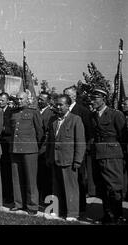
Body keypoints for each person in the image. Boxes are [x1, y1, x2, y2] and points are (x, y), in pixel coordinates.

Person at [46, 94, 86, 221]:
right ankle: (56, 210)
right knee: (56, 186)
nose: (58, 107)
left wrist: (77, 160)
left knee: (71, 188)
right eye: (57, 104)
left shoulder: (76, 119)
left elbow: (80, 142)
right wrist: (49, 157)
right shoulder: (53, 120)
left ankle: (72, 214)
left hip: (69, 160)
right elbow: (50, 142)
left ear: (68, 106)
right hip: (55, 159)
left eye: (61, 104)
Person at [90, 89, 126, 224]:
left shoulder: (115, 115)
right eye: (91, 98)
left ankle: (117, 216)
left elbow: (123, 137)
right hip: (98, 154)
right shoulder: (92, 116)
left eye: (95, 98)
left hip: (112, 155)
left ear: (104, 98)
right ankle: (107, 215)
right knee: (102, 187)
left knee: (114, 187)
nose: (92, 101)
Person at [9, 91, 43, 215]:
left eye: (21, 99)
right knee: (16, 178)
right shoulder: (13, 113)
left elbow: (40, 132)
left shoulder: (34, 112)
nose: (19, 101)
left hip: (30, 150)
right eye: (17, 99)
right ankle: (18, 203)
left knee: (30, 179)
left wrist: (34, 146)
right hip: (15, 149)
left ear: (27, 99)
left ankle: (32, 206)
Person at [64, 85, 96, 216]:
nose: (66, 97)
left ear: (74, 96)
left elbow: (88, 132)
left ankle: (81, 206)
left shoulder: (82, 111)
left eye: (68, 95)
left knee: (80, 179)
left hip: (78, 151)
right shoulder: (61, 110)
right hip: (66, 152)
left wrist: (83, 150)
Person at [37, 91, 56, 204]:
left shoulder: (50, 113)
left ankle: (46, 199)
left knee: (46, 177)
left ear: (48, 101)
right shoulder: (37, 111)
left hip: (43, 150)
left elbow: (47, 134)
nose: (39, 101)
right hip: (36, 148)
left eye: (42, 99)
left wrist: (42, 149)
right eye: (39, 99)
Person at [0, 92, 14, 204]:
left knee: (8, 171)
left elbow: (12, 128)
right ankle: (3, 193)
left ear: (7, 100)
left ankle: (9, 196)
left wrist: (2, 128)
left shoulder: (11, 112)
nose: (0, 102)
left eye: (2, 100)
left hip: (7, 144)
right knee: (1, 170)